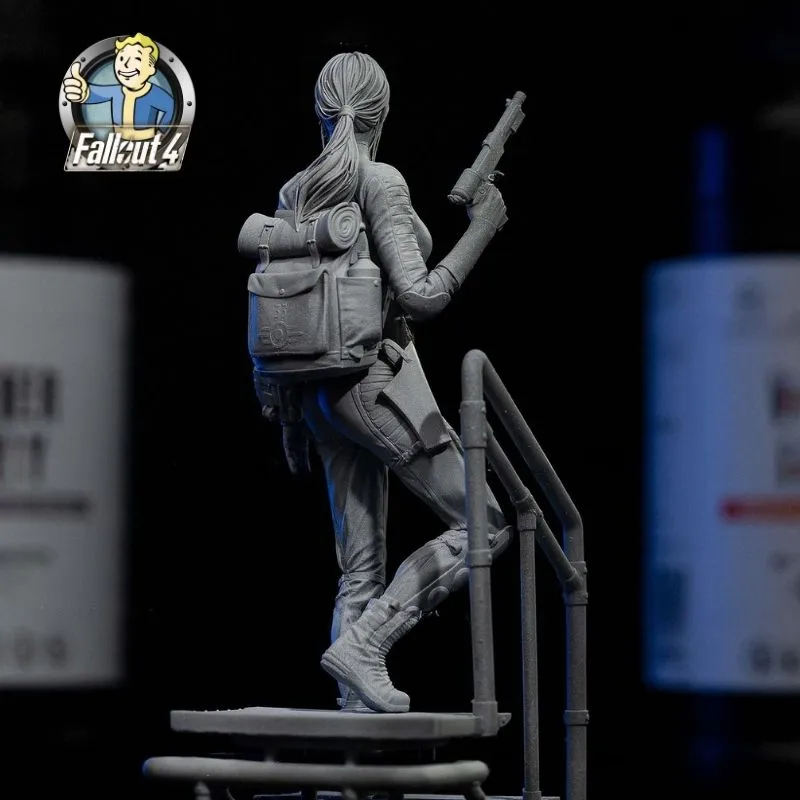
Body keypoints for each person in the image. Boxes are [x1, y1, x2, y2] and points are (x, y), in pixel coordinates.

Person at [270, 52, 512, 714]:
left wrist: (289, 418)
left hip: (317, 393)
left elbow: (281, 309)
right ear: (382, 114)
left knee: (359, 566)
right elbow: (421, 295)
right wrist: (483, 230)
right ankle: (369, 644)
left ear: (320, 112)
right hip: (375, 382)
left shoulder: (295, 193)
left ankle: (353, 703)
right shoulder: (380, 181)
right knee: (486, 523)